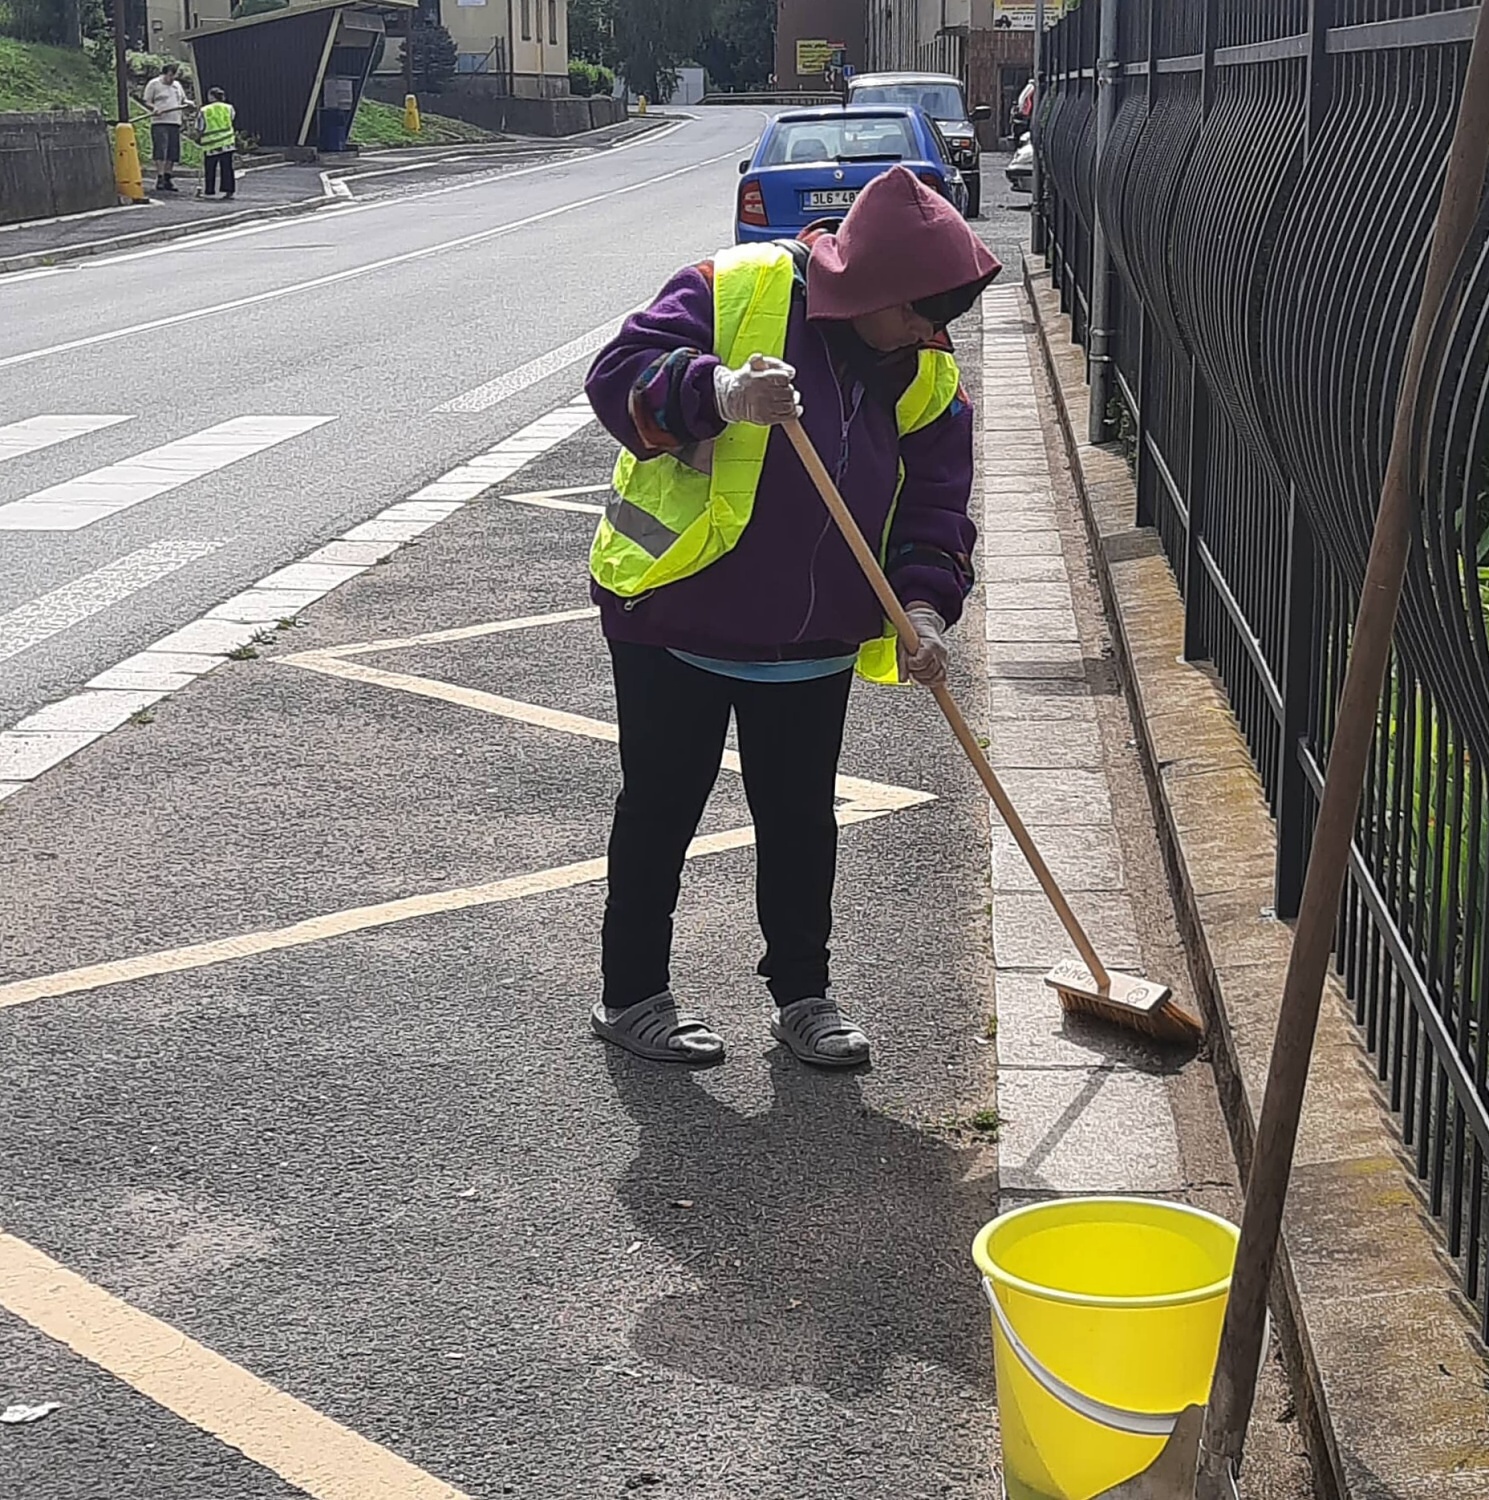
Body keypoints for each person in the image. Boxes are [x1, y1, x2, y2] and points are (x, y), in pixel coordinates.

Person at [584, 166, 1000, 1070]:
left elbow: (936, 499)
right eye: (921, 312)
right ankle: (633, 996)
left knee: (801, 819)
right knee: (660, 808)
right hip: (676, 612)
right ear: (875, 286)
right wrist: (719, 392)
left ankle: (803, 996)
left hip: (812, 637)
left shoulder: (924, 367)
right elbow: (617, 379)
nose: (932, 333)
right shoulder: (732, 288)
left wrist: (924, 607)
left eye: (945, 317)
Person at [143, 63, 193, 195]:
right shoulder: (154, 84)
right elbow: (147, 101)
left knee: (173, 151)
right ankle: (160, 176)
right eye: (170, 76)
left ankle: (168, 176)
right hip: (160, 122)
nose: (171, 79)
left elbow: (182, 100)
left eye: (174, 76)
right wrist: (154, 108)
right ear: (165, 74)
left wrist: (188, 103)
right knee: (161, 149)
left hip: (175, 121)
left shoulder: (177, 85)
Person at [199, 87, 237, 201]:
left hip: (211, 144)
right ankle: (229, 190)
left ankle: (209, 190)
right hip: (227, 142)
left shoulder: (204, 110)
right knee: (227, 168)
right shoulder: (229, 108)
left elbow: (200, 126)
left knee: (210, 168)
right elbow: (232, 119)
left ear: (211, 97)